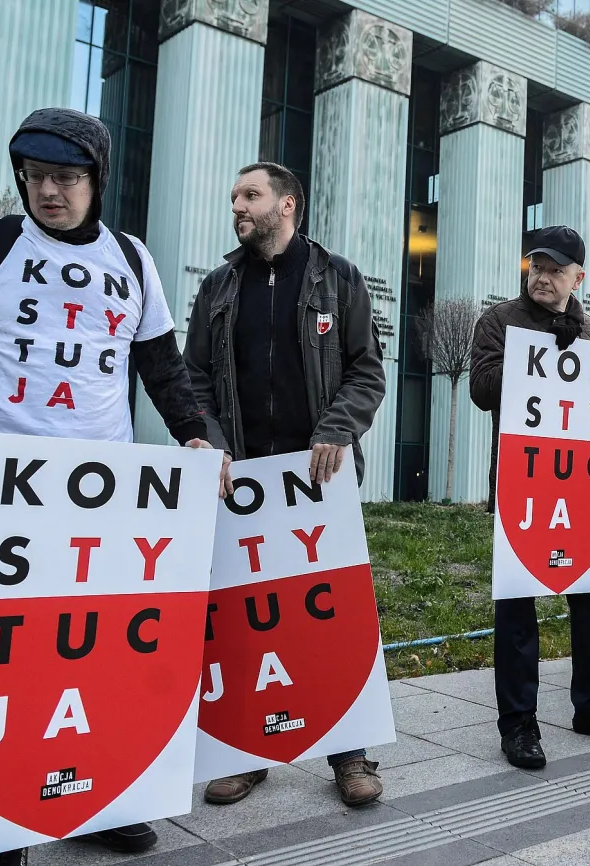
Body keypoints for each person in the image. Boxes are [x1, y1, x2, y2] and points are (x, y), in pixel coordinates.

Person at [0, 107, 215, 866]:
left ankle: (93, 799)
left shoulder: (133, 260)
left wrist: (195, 434)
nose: (50, 191)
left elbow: (162, 368)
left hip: (102, 491)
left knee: (95, 651)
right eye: (38, 176)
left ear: (96, 181)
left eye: (68, 178)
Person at [183, 161, 388, 807]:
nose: (238, 206)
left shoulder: (339, 278)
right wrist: (211, 446)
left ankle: (350, 754)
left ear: (288, 205)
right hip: (240, 483)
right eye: (234, 196)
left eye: (250, 195)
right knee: (248, 621)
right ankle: (249, 752)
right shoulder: (218, 287)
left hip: (318, 482)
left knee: (330, 619)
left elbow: (367, 372)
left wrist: (337, 429)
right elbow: (192, 381)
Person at [470, 225, 590, 770]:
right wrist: (543, 355)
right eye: (536, 266)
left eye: (555, 269)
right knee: (518, 609)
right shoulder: (499, 321)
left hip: (586, 490)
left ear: (579, 277)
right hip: (525, 486)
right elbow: (483, 390)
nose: (543, 277)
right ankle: (519, 722)